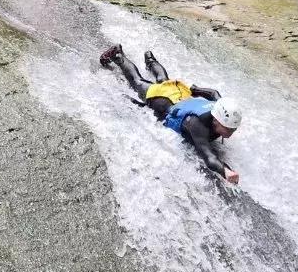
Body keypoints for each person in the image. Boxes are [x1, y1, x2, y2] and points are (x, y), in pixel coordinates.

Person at [100, 44, 243, 185]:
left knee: (164, 81)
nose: (231, 132)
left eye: (233, 129)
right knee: (138, 82)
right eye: (228, 128)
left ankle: (150, 60)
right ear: (216, 120)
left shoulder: (220, 105)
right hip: (163, 100)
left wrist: (195, 89)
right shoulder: (197, 124)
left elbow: (214, 93)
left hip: (181, 95)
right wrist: (226, 171)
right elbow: (209, 157)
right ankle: (117, 55)